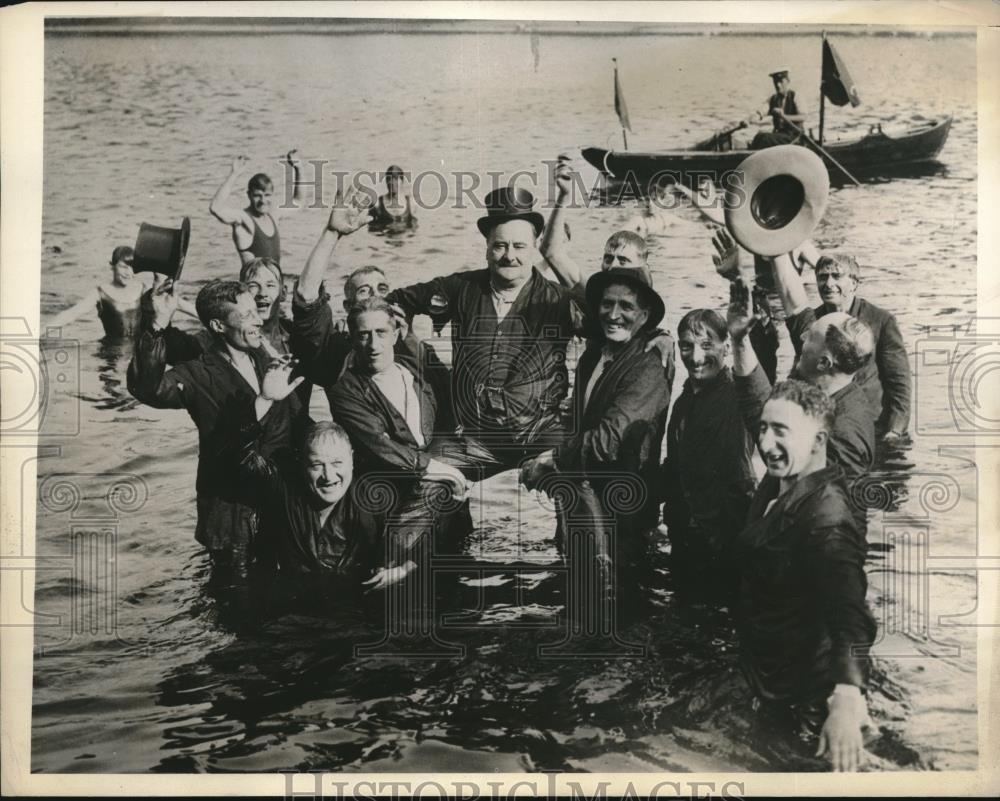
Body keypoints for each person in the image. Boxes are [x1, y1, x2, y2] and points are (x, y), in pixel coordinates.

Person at [386, 185, 586, 473]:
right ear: (487, 247)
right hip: (472, 437)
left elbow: (608, 333)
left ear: (534, 247)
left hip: (540, 431)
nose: (509, 256)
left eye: (519, 247)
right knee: (427, 477)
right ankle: (456, 517)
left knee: (576, 472)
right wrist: (400, 337)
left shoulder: (558, 300)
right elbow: (396, 301)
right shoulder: (461, 288)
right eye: (500, 246)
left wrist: (579, 398)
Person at [733, 379, 876, 772]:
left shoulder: (828, 518)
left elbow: (852, 614)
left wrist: (847, 696)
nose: (764, 443)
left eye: (780, 431)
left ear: (818, 441)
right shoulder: (780, 479)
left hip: (806, 702)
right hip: (767, 674)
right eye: (763, 428)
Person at [127, 278, 303, 580]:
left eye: (255, 312)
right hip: (232, 517)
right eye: (246, 315)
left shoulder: (265, 357)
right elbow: (148, 388)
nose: (258, 320)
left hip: (280, 504)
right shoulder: (198, 373)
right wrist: (156, 326)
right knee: (236, 607)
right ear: (219, 326)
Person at [520, 266, 671, 585]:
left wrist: (550, 460)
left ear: (644, 316)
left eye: (626, 306)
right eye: (607, 304)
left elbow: (608, 440)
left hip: (622, 511)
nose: (614, 314)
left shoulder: (648, 368)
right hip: (581, 501)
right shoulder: (593, 356)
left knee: (613, 600)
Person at [234, 360, 413, 588]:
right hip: (297, 607)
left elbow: (429, 538)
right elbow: (237, 458)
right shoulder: (284, 491)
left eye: (337, 462)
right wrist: (264, 400)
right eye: (317, 465)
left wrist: (402, 570)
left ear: (352, 459)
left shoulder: (376, 496)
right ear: (301, 465)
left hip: (357, 606)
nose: (329, 476)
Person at [719, 230, 876, 488]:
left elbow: (829, 511)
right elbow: (795, 303)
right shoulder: (819, 380)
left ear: (824, 362)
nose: (801, 340)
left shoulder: (846, 431)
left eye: (808, 340)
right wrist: (775, 235)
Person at [770, 249, 911, 441]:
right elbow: (800, 370)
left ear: (854, 283)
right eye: (822, 277)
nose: (829, 284)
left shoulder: (881, 320)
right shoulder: (813, 323)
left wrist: (895, 430)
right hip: (823, 423)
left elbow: (899, 383)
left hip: (872, 427)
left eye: (836, 276)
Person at [661, 309, 756, 593]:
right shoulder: (684, 400)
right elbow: (675, 469)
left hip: (725, 539)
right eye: (687, 346)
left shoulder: (739, 397)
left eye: (706, 345)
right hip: (685, 536)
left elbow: (756, 377)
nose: (696, 356)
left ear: (726, 347)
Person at [47, 246, 196, 339]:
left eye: (133, 268)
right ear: (112, 266)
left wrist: (210, 318)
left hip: (140, 350)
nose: (128, 273)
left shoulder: (143, 289)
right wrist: (41, 332)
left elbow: (179, 304)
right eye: (124, 267)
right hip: (111, 353)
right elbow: (71, 314)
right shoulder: (100, 293)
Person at [209, 152, 302, 267]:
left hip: (274, 283)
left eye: (267, 195)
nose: (263, 201)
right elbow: (215, 208)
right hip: (252, 284)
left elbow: (298, 202)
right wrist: (234, 174)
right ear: (249, 195)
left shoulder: (273, 215)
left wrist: (298, 168)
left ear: (272, 195)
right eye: (257, 195)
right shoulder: (243, 219)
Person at [749, 69, 807, 149]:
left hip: (795, 137)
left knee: (765, 139)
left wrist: (784, 116)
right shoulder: (773, 98)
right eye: (775, 82)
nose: (778, 85)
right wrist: (752, 118)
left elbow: (803, 117)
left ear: (787, 81)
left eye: (781, 82)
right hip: (780, 136)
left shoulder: (796, 96)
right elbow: (761, 111)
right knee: (759, 136)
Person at [368, 164, 418, 231]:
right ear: (386, 182)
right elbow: (371, 228)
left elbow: (414, 230)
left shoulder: (411, 203)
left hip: (404, 239)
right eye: (389, 179)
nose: (392, 182)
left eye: (395, 179)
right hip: (385, 238)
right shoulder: (377, 204)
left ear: (402, 181)